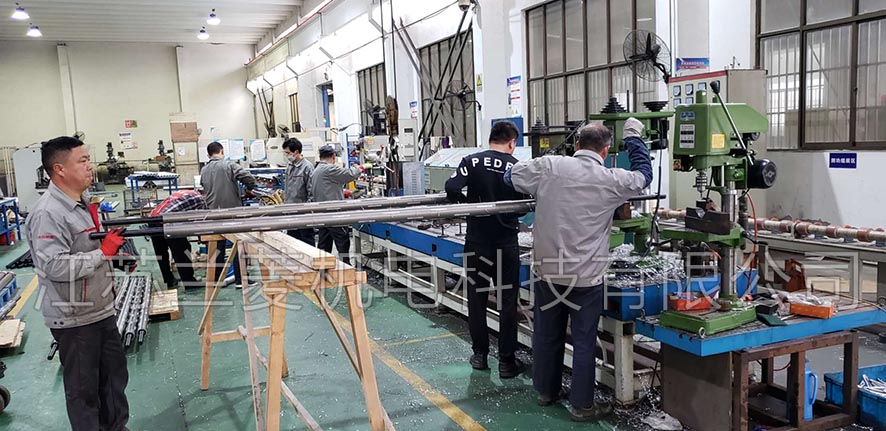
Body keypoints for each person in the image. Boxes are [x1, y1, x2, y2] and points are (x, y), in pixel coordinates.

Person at [506, 119, 652, 421]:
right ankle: (582, 406)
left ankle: (546, 392)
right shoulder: (611, 179)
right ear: (606, 150)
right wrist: (633, 137)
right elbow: (644, 175)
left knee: (547, 334)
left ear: (576, 145)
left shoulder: (550, 166)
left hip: (547, 271)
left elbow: (511, 176)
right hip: (586, 277)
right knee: (584, 342)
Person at [26, 136, 130, 431]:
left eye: (88, 159)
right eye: (82, 161)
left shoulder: (80, 204)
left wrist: (116, 259)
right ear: (59, 169)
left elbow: (86, 250)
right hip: (74, 319)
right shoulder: (48, 213)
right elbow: (54, 265)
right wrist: (103, 253)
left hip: (100, 310)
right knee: (84, 393)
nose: (89, 166)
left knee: (113, 381)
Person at [444, 120, 528, 379]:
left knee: (477, 299)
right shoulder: (516, 166)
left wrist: (470, 206)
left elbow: (451, 188)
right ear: (512, 142)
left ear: (491, 138)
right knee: (507, 302)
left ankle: (480, 355)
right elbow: (526, 203)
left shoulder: (471, 161)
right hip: (506, 242)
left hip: (477, 241)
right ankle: (507, 362)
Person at [200, 141, 257, 287]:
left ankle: (217, 280)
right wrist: (249, 188)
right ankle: (241, 280)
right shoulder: (229, 165)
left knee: (217, 245)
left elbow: (203, 187)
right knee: (239, 244)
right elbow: (248, 177)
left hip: (212, 213)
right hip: (232, 212)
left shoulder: (204, 170)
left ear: (208, 154)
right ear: (222, 151)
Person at [311, 144, 361, 265]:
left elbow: (326, 188)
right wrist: (360, 167)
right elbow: (350, 174)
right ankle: (346, 268)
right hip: (334, 214)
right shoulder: (329, 169)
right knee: (342, 242)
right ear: (333, 156)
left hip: (322, 214)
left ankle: (323, 269)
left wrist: (342, 192)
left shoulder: (317, 170)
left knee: (324, 245)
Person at [148, 189, 205, 289]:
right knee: (182, 250)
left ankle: (169, 280)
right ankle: (189, 282)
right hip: (168, 220)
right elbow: (200, 221)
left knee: (161, 253)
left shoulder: (186, 192)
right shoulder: (200, 199)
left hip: (153, 218)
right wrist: (202, 237)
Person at [282, 137, 315, 244]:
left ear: (296, 152)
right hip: (290, 211)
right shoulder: (289, 166)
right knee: (292, 241)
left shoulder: (307, 167)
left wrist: (307, 210)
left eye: (288, 153)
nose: (287, 156)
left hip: (303, 213)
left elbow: (312, 192)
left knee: (307, 241)